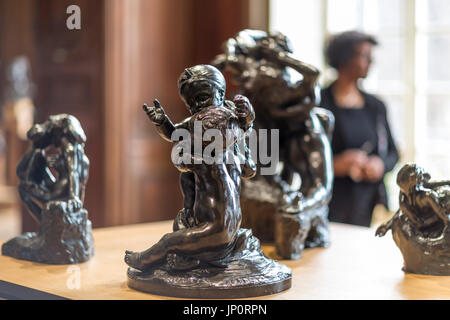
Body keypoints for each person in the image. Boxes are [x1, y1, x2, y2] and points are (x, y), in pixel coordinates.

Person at [320, 30, 399, 227]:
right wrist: (334, 165)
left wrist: (379, 165)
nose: (371, 62)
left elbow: (393, 153)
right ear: (343, 58)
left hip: (369, 202)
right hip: (329, 200)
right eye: (364, 55)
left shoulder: (375, 105)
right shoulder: (319, 103)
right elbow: (299, 156)